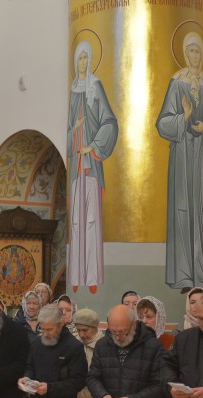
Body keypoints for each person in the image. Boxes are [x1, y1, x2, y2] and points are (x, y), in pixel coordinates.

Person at [157, 30, 203, 289]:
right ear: (185, 53)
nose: (195, 55)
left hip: (199, 154)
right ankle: (182, 275)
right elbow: (163, 122)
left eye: (198, 51)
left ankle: (199, 274)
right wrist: (184, 117)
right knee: (182, 208)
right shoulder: (177, 81)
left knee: (200, 209)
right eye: (191, 50)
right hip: (182, 154)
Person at [67, 39, 118, 294]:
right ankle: (76, 275)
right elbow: (68, 130)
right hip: (75, 169)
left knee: (91, 221)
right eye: (79, 58)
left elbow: (110, 121)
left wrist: (94, 146)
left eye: (86, 57)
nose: (83, 62)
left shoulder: (96, 87)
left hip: (91, 166)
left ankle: (93, 276)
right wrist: (74, 130)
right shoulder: (73, 91)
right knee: (76, 223)